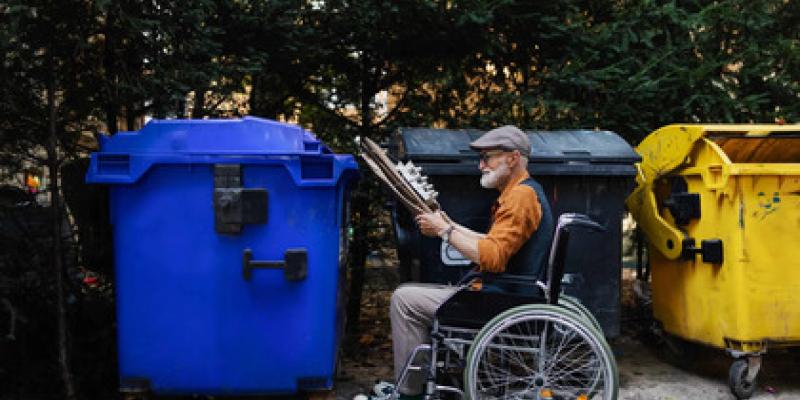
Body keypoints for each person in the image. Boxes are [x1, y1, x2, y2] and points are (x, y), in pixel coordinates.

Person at [376, 125, 555, 400]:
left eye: (488, 157)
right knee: (415, 295)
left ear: (513, 158)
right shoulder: (522, 193)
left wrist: (444, 232)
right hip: (507, 295)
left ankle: (409, 393)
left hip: (501, 300)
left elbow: (492, 257)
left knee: (405, 300)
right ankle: (418, 385)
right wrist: (449, 224)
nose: (481, 165)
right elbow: (491, 242)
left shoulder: (521, 198)